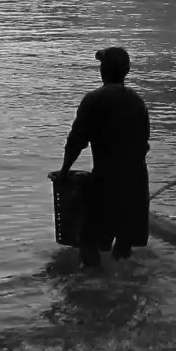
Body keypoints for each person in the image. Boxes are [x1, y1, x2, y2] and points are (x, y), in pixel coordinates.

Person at [59, 46, 151, 262]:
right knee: (124, 248)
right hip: (136, 184)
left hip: (106, 182)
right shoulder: (138, 103)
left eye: (102, 65)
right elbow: (143, 145)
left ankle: (95, 285)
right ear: (126, 72)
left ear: (104, 71)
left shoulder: (93, 100)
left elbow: (76, 142)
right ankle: (123, 287)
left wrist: (64, 172)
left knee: (88, 243)